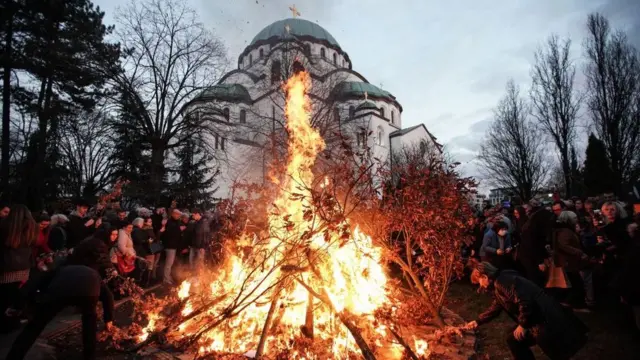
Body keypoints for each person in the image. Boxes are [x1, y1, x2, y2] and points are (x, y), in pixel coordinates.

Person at [467, 261, 588, 360]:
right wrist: (478, 321)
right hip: (537, 318)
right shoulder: (502, 279)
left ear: (485, 276)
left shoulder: (503, 281)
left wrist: (523, 325)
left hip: (544, 319)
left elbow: (525, 301)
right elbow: (497, 306)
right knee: (513, 340)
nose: (481, 286)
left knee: (556, 351)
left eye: (480, 282)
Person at [6, 265, 103, 360]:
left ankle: (14, 356)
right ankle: (89, 356)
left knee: (36, 325)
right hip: (89, 291)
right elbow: (108, 296)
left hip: (60, 292)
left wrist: (17, 307)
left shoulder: (56, 271)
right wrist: (109, 319)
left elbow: (31, 285)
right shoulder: (94, 275)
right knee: (89, 323)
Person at [66, 224, 118, 329]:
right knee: (107, 296)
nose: (114, 237)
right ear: (106, 234)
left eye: (116, 234)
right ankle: (108, 323)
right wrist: (112, 270)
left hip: (84, 272)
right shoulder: (99, 244)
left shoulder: (93, 239)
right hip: (88, 273)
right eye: (112, 234)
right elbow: (104, 259)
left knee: (96, 297)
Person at [0, 204, 37, 333]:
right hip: (24, 269)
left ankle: (6, 324)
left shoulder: (5, 227)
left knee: (4, 298)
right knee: (15, 297)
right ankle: (13, 322)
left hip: (7, 269)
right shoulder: (32, 228)